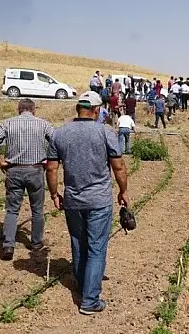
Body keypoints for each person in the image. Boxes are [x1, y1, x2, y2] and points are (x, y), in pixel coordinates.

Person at [45, 91, 129, 315]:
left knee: (78, 243)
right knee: (96, 247)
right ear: (97, 110)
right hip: (99, 200)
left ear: (77, 109)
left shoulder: (59, 133)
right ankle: (90, 300)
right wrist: (123, 191)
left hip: (73, 200)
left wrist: (54, 194)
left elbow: (51, 168)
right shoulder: (105, 132)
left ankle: (82, 285)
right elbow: (118, 166)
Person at [0, 98, 54, 261]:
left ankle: (8, 244)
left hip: (14, 170)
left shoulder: (7, 123)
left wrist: (0, 162)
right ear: (33, 110)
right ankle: (36, 242)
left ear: (19, 109)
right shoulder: (43, 124)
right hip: (35, 169)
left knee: (12, 209)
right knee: (37, 209)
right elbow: (56, 140)